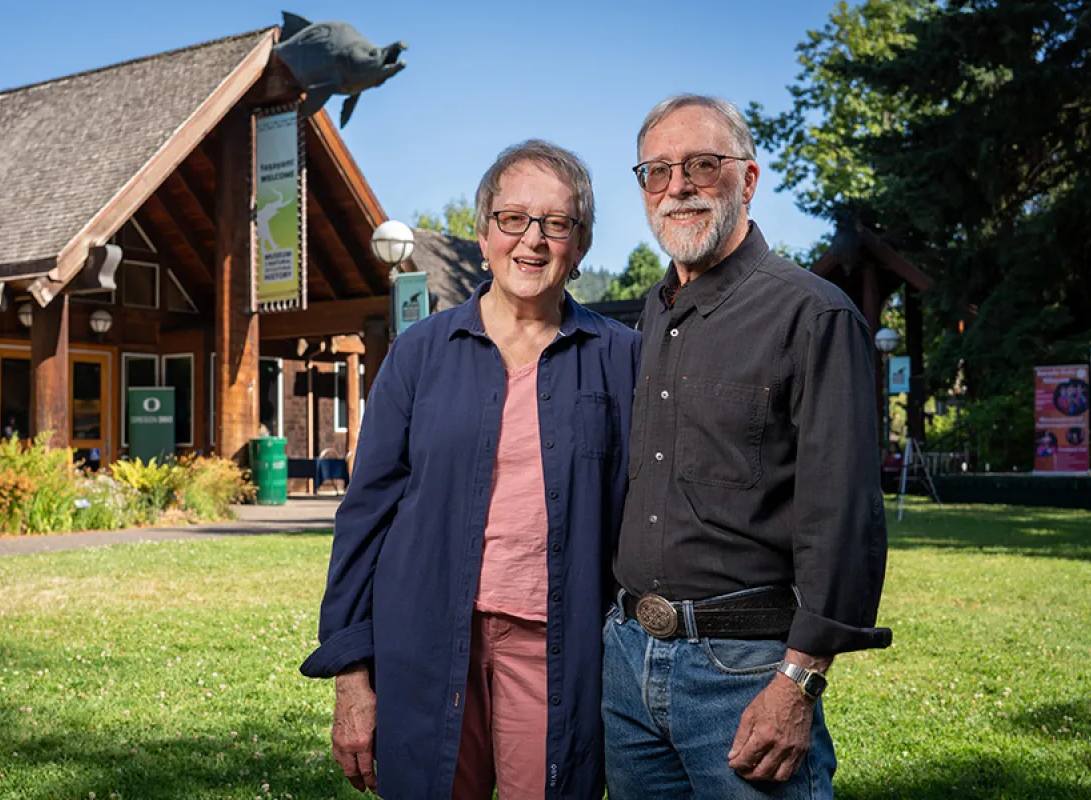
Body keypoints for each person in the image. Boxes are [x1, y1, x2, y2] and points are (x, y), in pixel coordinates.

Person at [301, 139, 640, 799]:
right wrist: (352, 679)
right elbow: (365, 517)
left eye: (556, 223)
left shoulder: (622, 357)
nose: (532, 240)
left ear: (581, 243)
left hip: (557, 650)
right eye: (513, 219)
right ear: (484, 234)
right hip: (424, 642)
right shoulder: (419, 354)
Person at [602, 94, 892, 799]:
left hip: (744, 672)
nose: (679, 187)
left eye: (703, 164)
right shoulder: (653, 313)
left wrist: (798, 680)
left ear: (748, 180)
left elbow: (844, 517)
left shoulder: (812, 315)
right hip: (628, 664)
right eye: (657, 171)